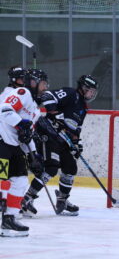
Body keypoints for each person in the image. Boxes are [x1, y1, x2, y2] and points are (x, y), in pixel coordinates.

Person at [21, 75, 99, 217]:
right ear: (83, 88)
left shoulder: (83, 108)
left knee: (70, 167)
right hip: (48, 133)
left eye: (93, 92)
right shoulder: (71, 94)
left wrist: (76, 143)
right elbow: (47, 95)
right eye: (90, 91)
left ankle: (62, 200)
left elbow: (76, 129)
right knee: (51, 167)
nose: (92, 94)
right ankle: (27, 198)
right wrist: (54, 113)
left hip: (63, 140)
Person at [0, 68, 45, 236]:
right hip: (2, 142)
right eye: (42, 84)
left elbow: (26, 136)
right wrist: (20, 123)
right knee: (2, 181)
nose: (44, 88)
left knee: (20, 180)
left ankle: (9, 219)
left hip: (15, 147)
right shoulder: (22, 92)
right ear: (33, 83)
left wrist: (35, 155)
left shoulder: (35, 109)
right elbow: (4, 109)